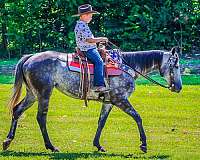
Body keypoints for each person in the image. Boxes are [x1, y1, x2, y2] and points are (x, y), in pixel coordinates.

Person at [72, 4, 108, 92]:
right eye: (90, 16)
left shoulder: (82, 24)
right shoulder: (82, 26)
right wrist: (101, 38)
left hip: (87, 47)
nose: (91, 18)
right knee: (99, 62)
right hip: (88, 49)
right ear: (84, 15)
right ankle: (99, 85)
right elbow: (89, 40)